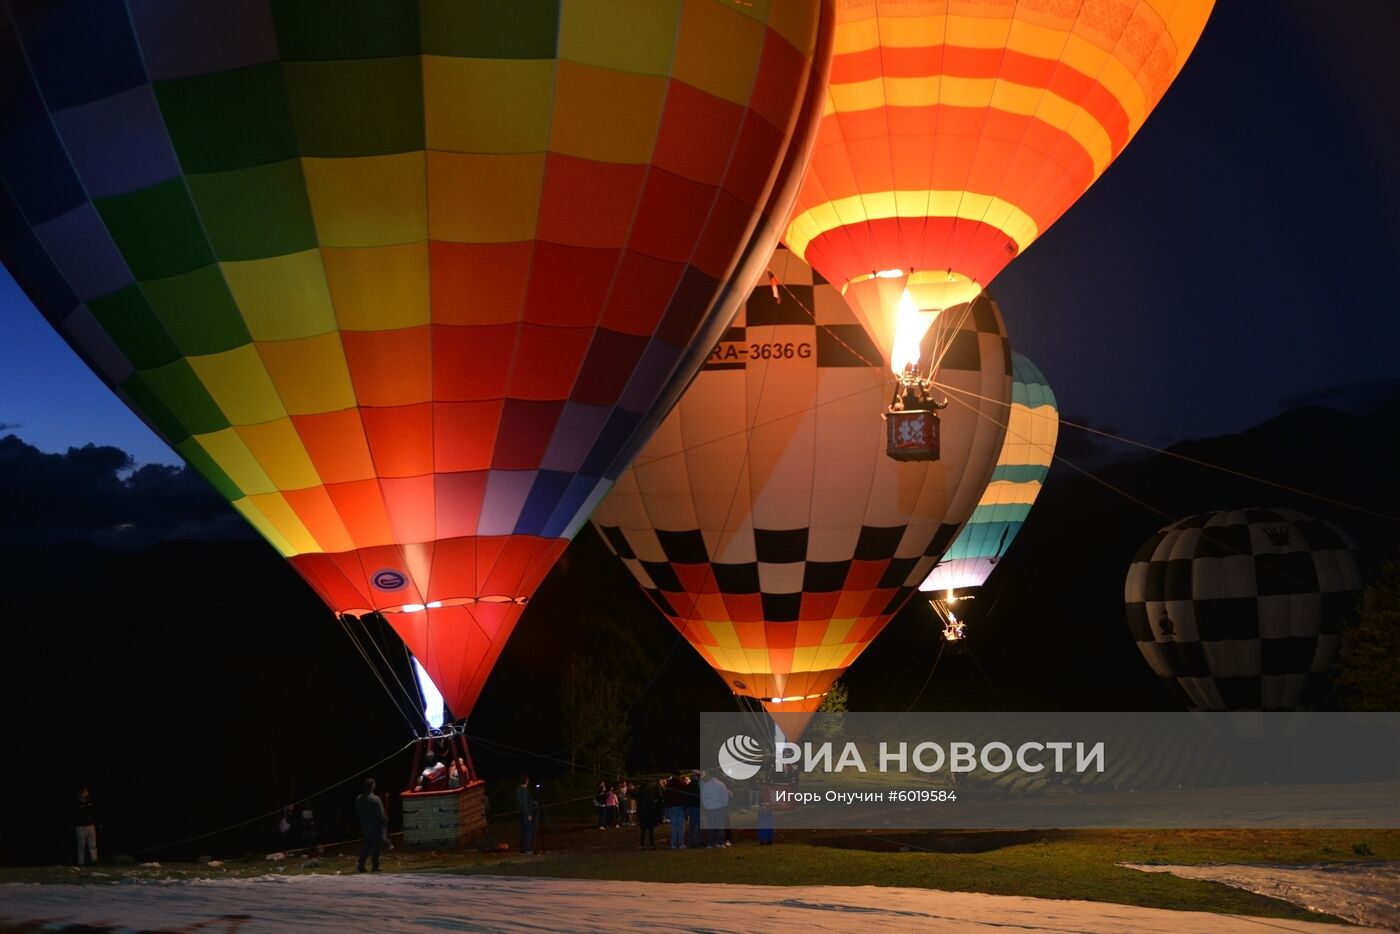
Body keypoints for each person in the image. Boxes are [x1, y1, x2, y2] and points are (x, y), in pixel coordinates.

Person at [355, 778, 388, 873]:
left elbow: (357, 812)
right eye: (374, 784)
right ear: (371, 786)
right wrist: (385, 823)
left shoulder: (359, 798)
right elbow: (381, 815)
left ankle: (361, 866)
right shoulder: (375, 799)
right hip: (376, 825)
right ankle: (375, 866)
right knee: (376, 846)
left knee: (367, 845)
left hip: (365, 825)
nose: (375, 786)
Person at [700, 772, 731, 848]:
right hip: (720, 808)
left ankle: (710, 843)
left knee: (711, 826)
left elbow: (703, 797)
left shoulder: (706, 785)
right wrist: (724, 805)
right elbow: (725, 796)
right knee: (720, 826)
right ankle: (719, 842)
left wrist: (706, 806)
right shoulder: (721, 784)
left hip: (710, 809)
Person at [74, 788, 97, 866]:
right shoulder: (76, 803)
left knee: (93, 845)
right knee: (81, 845)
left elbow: (95, 812)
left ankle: (94, 861)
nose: (87, 793)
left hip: (90, 826)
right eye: (85, 792)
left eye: (87, 791)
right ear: (81, 793)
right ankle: (81, 862)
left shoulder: (90, 802)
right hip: (81, 827)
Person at [635, 782, 661, 850]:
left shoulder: (640, 796)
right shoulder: (649, 795)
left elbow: (638, 807)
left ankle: (642, 845)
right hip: (649, 815)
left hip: (643, 815)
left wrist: (638, 816)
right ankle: (651, 845)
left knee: (643, 831)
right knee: (650, 831)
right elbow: (652, 806)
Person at [663, 771, 686, 848]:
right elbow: (683, 795)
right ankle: (681, 843)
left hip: (671, 807)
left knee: (674, 827)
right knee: (680, 826)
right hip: (679, 806)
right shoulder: (680, 784)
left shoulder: (668, 785)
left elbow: (665, 796)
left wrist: (667, 806)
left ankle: (673, 844)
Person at [516, 775, 537, 855]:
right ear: (526, 780)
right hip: (525, 814)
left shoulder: (518, 790)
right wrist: (528, 814)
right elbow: (524, 803)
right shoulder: (524, 790)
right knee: (529, 831)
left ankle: (523, 849)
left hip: (521, 813)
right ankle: (528, 849)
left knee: (523, 831)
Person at [683, 771, 702, 849]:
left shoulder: (689, 785)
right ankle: (697, 842)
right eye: (698, 776)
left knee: (692, 826)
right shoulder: (698, 785)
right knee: (698, 825)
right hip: (696, 807)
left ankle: (692, 842)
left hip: (691, 807)